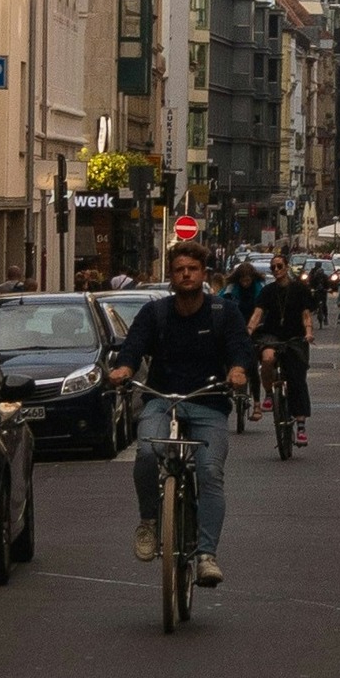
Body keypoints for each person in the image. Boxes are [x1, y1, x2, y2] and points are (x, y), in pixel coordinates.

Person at [106, 241, 252, 589]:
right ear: (170, 276)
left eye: (192, 269)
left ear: (204, 274)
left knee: (210, 471)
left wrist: (238, 370)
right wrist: (124, 368)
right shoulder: (155, 314)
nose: (186, 275)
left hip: (208, 401)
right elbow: (133, 348)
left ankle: (206, 556)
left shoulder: (223, 312)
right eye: (179, 270)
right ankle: (150, 523)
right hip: (162, 399)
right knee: (145, 453)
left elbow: (239, 348)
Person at [249, 255, 315, 445]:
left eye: (279, 266)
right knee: (267, 358)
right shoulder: (268, 291)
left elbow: (306, 315)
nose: (276, 270)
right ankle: (269, 393)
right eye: (273, 267)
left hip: (295, 336)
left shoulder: (299, 289)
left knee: (297, 380)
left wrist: (308, 332)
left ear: (286, 267)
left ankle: (301, 426)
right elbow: (257, 314)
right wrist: (248, 331)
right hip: (272, 335)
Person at [304, 261, 332, 327]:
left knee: (324, 304)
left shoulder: (325, 277)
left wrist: (328, 289)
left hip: (323, 292)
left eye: (321, 275)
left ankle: (326, 317)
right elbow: (311, 284)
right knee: (313, 302)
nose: (320, 276)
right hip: (317, 292)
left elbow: (328, 285)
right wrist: (311, 289)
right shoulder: (314, 276)